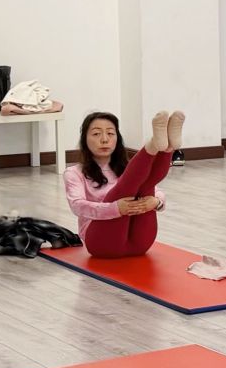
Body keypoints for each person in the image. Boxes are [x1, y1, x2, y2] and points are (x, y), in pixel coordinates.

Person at [65, 109, 181, 259]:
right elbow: (77, 206)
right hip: (102, 244)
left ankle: (168, 146)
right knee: (128, 186)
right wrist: (115, 208)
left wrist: (156, 202)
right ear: (84, 139)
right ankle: (154, 145)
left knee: (146, 186)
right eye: (96, 134)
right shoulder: (74, 172)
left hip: (140, 244)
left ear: (117, 139)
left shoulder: (132, 169)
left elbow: (157, 191)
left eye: (110, 133)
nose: (104, 139)